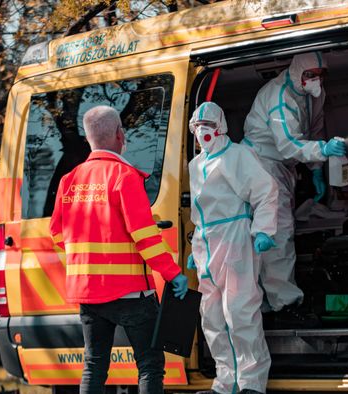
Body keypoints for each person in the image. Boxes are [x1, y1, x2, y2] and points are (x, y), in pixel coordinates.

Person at [49, 105, 189, 394]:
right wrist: (173, 274)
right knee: (149, 364)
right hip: (131, 294)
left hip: (88, 294)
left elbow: (56, 234)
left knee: (94, 365)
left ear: (88, 138)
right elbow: (146, 237)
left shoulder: (69, 181)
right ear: (119, 134)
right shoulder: (124, 176)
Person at [243, 52, 346, 327]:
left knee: (277, 234)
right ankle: (285, 305)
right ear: (297, 70)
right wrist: (322, 152)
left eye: (320, 74)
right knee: (279, 232)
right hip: (262, 166)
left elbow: (314, 129)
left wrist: (315, 171)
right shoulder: (279, 96)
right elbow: (288, 143)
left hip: (283, 168)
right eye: (310, 74)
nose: (315, 79)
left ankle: (266, 303)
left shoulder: (313, 94)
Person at [187, 102, 279, 394]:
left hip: (235, 236)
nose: (203, 132)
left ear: (220, 127)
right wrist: (196, 246)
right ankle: (225, 383)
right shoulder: (196, 164)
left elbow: (266, 191)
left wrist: (263, 229)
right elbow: (199, 211)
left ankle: (252, 383)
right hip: (207, 244)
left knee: (240, 311)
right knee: (212, 317)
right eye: (198, 127)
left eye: (208, 126)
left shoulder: (238, 155)